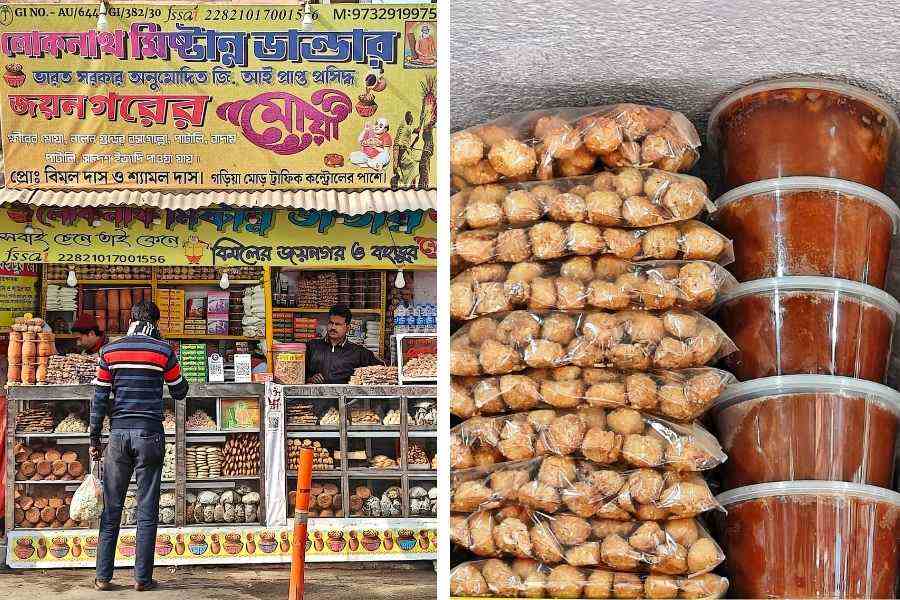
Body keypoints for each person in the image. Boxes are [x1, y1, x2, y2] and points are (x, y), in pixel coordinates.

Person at [89, 301, 188, 592]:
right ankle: (142, 579)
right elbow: (181, 391)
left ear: (132, 319)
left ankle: (103, 576)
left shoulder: (109, 352)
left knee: (112, 507)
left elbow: (99, 399)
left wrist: (95, 440)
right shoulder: (162, 350)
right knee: (147, 508)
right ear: (155, 323)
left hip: (118, 436)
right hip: (149, 435)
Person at [305, 305, 382, 384]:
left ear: (348, 328)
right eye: (331, 323)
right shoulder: (312, 347)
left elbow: (381, 372)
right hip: (315, 395)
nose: (333, 327)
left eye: (338, 324)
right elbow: (297, 372)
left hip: (345, 395)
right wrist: (309, 379)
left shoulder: (359, 353)